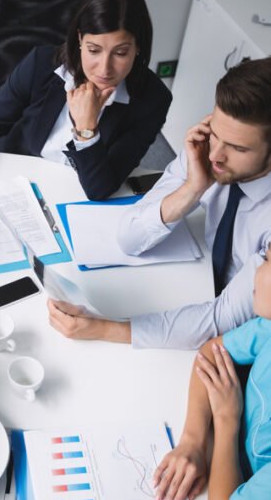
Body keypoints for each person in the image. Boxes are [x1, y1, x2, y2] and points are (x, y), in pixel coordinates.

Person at [48, 56, 271, 350]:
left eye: (238, 148)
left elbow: (222, 318)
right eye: (215, 133)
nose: (216, 154)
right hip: (197, 284)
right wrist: (193, 187)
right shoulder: (208, 152)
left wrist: (104, 328)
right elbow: (130, 238)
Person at [0, 0, 172, 215]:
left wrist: (86, 129)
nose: (104, 68)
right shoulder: (41, 64)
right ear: (80, 39)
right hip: (21, 178)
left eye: (120, 53)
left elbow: (99, 189)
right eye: (94, 50)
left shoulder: (153, 100)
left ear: (138, 47)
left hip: (78, 196)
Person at [151, 244, 271, 500]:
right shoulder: (268, 328)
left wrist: (226, 421)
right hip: (235, 466)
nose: (256, 269)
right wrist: (193, 440)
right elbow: (210, 353)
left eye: (268, 260)